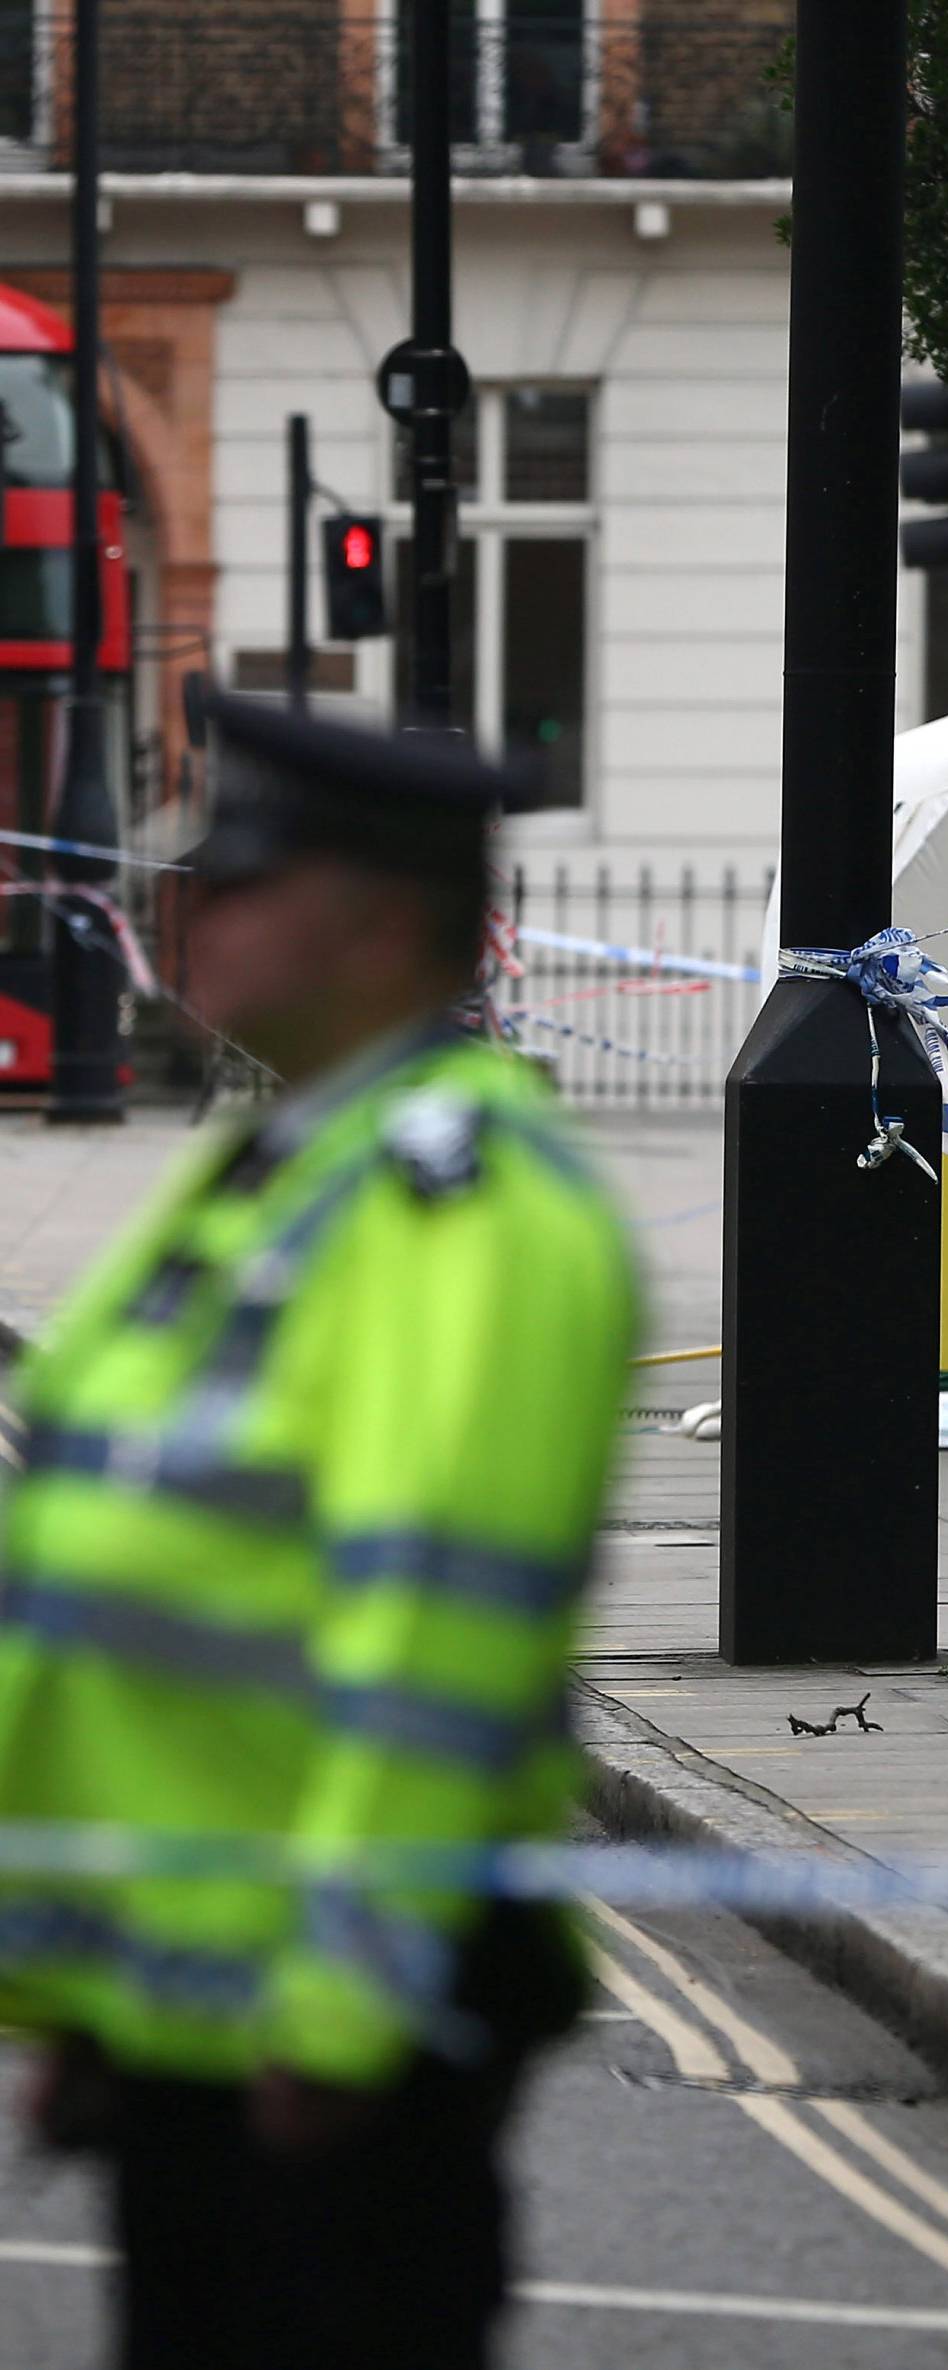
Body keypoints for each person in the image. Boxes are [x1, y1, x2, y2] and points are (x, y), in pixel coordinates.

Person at [0, 692, 638, 2369]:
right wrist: (73, 1986)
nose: (181, 909)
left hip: (330, 2040)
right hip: (189, 2008)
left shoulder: (465, 1209)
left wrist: (349, 2001)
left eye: (238, 878)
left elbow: (433, 1634)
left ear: (375, 916)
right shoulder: (282, 1172)